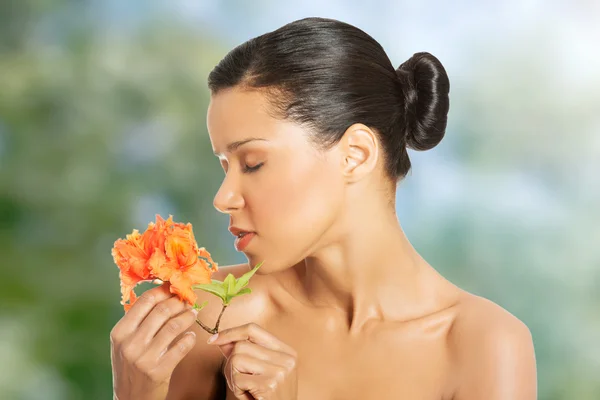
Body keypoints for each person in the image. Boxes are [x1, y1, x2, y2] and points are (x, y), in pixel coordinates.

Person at [110, 17, 537, 400]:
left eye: (253, 163)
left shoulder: (483, 346)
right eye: (224, 166)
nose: (223, 197)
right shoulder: (213, 318)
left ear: (354, 154)